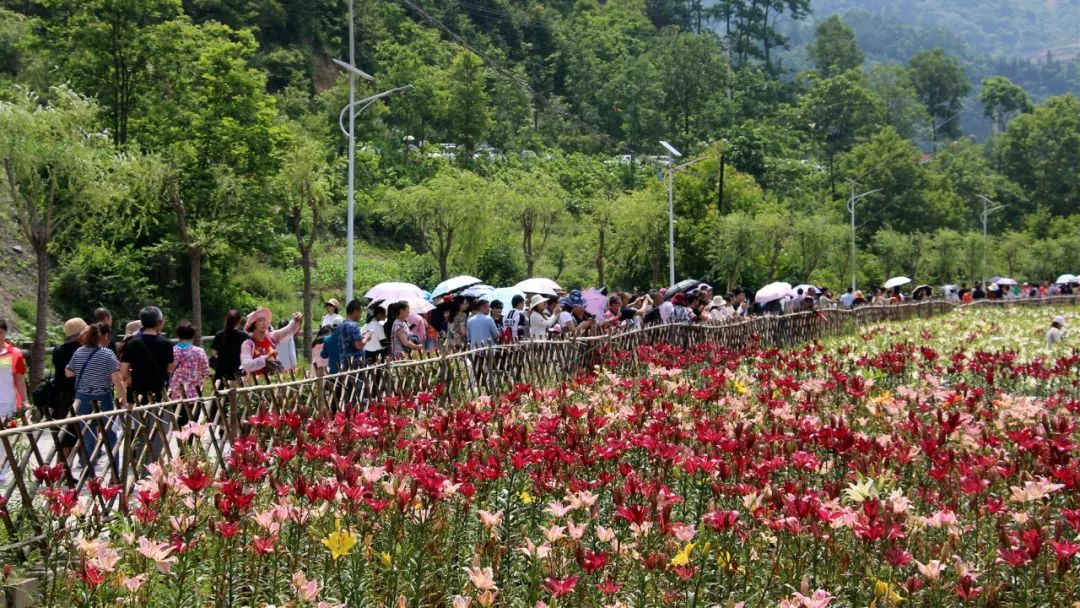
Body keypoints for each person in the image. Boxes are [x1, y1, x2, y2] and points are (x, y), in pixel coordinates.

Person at [64, 322, 125, 465]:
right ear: (101, 338)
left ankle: (89, 474)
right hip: (103, 397)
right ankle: (115, 470)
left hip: (82, 397)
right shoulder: (107, 353)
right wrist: (123, 397)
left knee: (86, 435)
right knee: (110, 435)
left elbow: (68, 373)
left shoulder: (78, 352)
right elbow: (117, 379)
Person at [120, 306, 176, 405]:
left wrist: (129, 379)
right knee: (160, 420)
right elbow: (170, 368)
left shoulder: (132, 343)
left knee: (137, 420)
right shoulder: (167, 344)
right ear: (159, 322)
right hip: (160, 393)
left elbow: (123, 371)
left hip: (137, 394)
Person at [239, 307, 302, 377]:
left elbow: (287, 331)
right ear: (253, 325)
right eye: (260, 320)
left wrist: (296, 320)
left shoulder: (271, 337)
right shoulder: (247, 344)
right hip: (256, 383)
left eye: (265, 320)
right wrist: (266, 357)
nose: (264, 323)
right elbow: (246, 364)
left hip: (274, 380)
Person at [169, 320, 210, 401]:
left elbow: (169, 370)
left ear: (178, 335)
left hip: (176, 393)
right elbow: (205, 372)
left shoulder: (173, 351)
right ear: (193, 336)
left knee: (176, 413)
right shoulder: (199, 351)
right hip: (194, 392)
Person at [210, 310, 247, 386]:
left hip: (221, 375)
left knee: (220, 397)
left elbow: (214, 353)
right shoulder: (243, 336)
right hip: (238, 374)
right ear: (239, 321)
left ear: (226, 320)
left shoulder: (219, 335)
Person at [0, 319, 28, 421]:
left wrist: (25, 400)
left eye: (1, 332)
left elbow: (20, 379)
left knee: (10, 434)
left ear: (6, 332)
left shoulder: (15, 353)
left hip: (10, 403)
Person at [339, 300, 367, 370]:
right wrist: (367, 338)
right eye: (360, 312)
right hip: (355, 363)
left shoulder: (341, 324)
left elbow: (348, 340)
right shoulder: (353, 325)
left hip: (344, 362)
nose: (360, 315)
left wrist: (361, 335)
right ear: (355, 311)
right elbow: (359, 345)